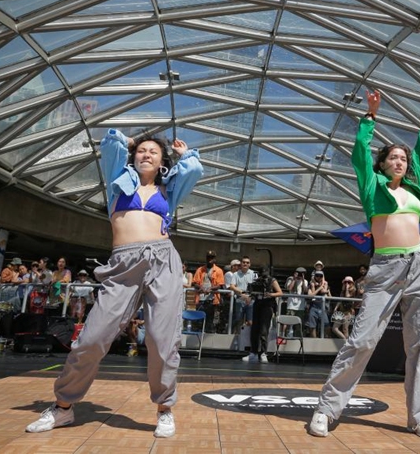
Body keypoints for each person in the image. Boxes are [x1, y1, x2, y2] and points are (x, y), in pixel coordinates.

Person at [25, 128, 202, 437]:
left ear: (163, 164)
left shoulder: (169, 191)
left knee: (162, 340)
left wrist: (183, 154)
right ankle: (63, 407)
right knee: (92, 338)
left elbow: (194, 169)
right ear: (133, 157)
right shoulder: (118, 181)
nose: (146, 154)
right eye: (141, 151)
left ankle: (164, 409)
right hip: (122, 265)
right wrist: (133, 142)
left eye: (153, 152)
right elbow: (111, 142)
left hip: (163, 261)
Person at [309, 90, 420, 439]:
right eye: (392, 158)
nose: (399, 162)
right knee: (363, 340)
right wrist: (370, 117)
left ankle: (419, 416)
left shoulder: (413, 188)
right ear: (382, 164)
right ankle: (326, 409)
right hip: (385, 267)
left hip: (419, 266)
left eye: (403, 159)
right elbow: (359, 156)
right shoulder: (372, 186)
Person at [240, 271, 282, 363]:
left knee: (264, 330)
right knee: (254, 329)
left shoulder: (272, 280)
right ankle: (253, 353)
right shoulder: (257, 280)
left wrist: (270, 294)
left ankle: (263, 352)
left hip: (267, 305)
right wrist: (249, 295)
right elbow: (253, 292)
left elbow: (280, 292)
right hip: (258, 304)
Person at [305, 271, 331, 338]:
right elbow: (311, 296)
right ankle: (314, 341)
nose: (319, 277)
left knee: (327, 325)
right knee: (312, 326)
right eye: (317, 275)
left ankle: (326, 339)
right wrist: (319, 288)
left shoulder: (325, 285)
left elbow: (330, 297)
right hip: (313, 307)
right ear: (314, 276)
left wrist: (327, 290)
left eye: (320, 276)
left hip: (322, 307)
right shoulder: (311, 285)